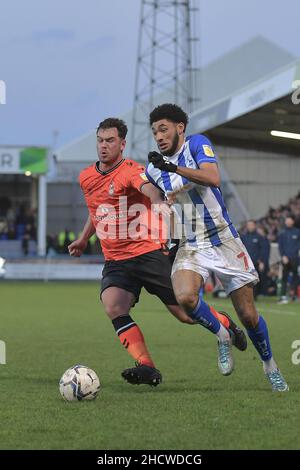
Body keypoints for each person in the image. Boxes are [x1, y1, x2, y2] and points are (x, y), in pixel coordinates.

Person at [68, 117, 247, 387]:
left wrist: (160, 208)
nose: (103, 146)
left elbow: (151, 192)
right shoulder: (87, 177)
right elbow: (97, 211)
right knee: (113, 306)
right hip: (116, 259)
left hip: (149, 253)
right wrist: (83, 239)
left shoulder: (131, 170)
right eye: (100, 140)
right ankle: (147, 367)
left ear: (122, 144)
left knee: (186, 315)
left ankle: (227, 325)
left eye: (110, 141)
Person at [147, 103, 288, 391]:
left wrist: (173, 167)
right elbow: (157, 199)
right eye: (154, 132)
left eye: (163, 129)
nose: (159, 136)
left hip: (223, 238)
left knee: (248, 315)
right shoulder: (152, 168)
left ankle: (269, 364)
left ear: (179, 128)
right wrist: (163, 210)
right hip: (191, 243)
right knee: (185, 298)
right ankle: (222, 334)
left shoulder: (197, 144)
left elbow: (212, 178)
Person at [241, 221, 269, 298]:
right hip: (245, 263)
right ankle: (246, 295)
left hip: (256, 262)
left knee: (255, 280)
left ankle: (255, 295)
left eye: (251, 225)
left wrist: (261, 261)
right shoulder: (243, 237)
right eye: (248, 225)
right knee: (245, 280)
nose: (250, 226)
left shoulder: (259, 237)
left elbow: (263, 250)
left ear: (255, 226)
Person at [278, 215, 300, 304]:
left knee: (296, 277)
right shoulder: (282, 233)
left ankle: (293, 295)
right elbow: (280, 246)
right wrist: (283, 256)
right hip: (285, 259)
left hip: (295, 258)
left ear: (293, 222)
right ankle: (283, 296)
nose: (288, 222)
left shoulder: (298, 232)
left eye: (290, 220)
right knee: (284, 277)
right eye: (287, 220)